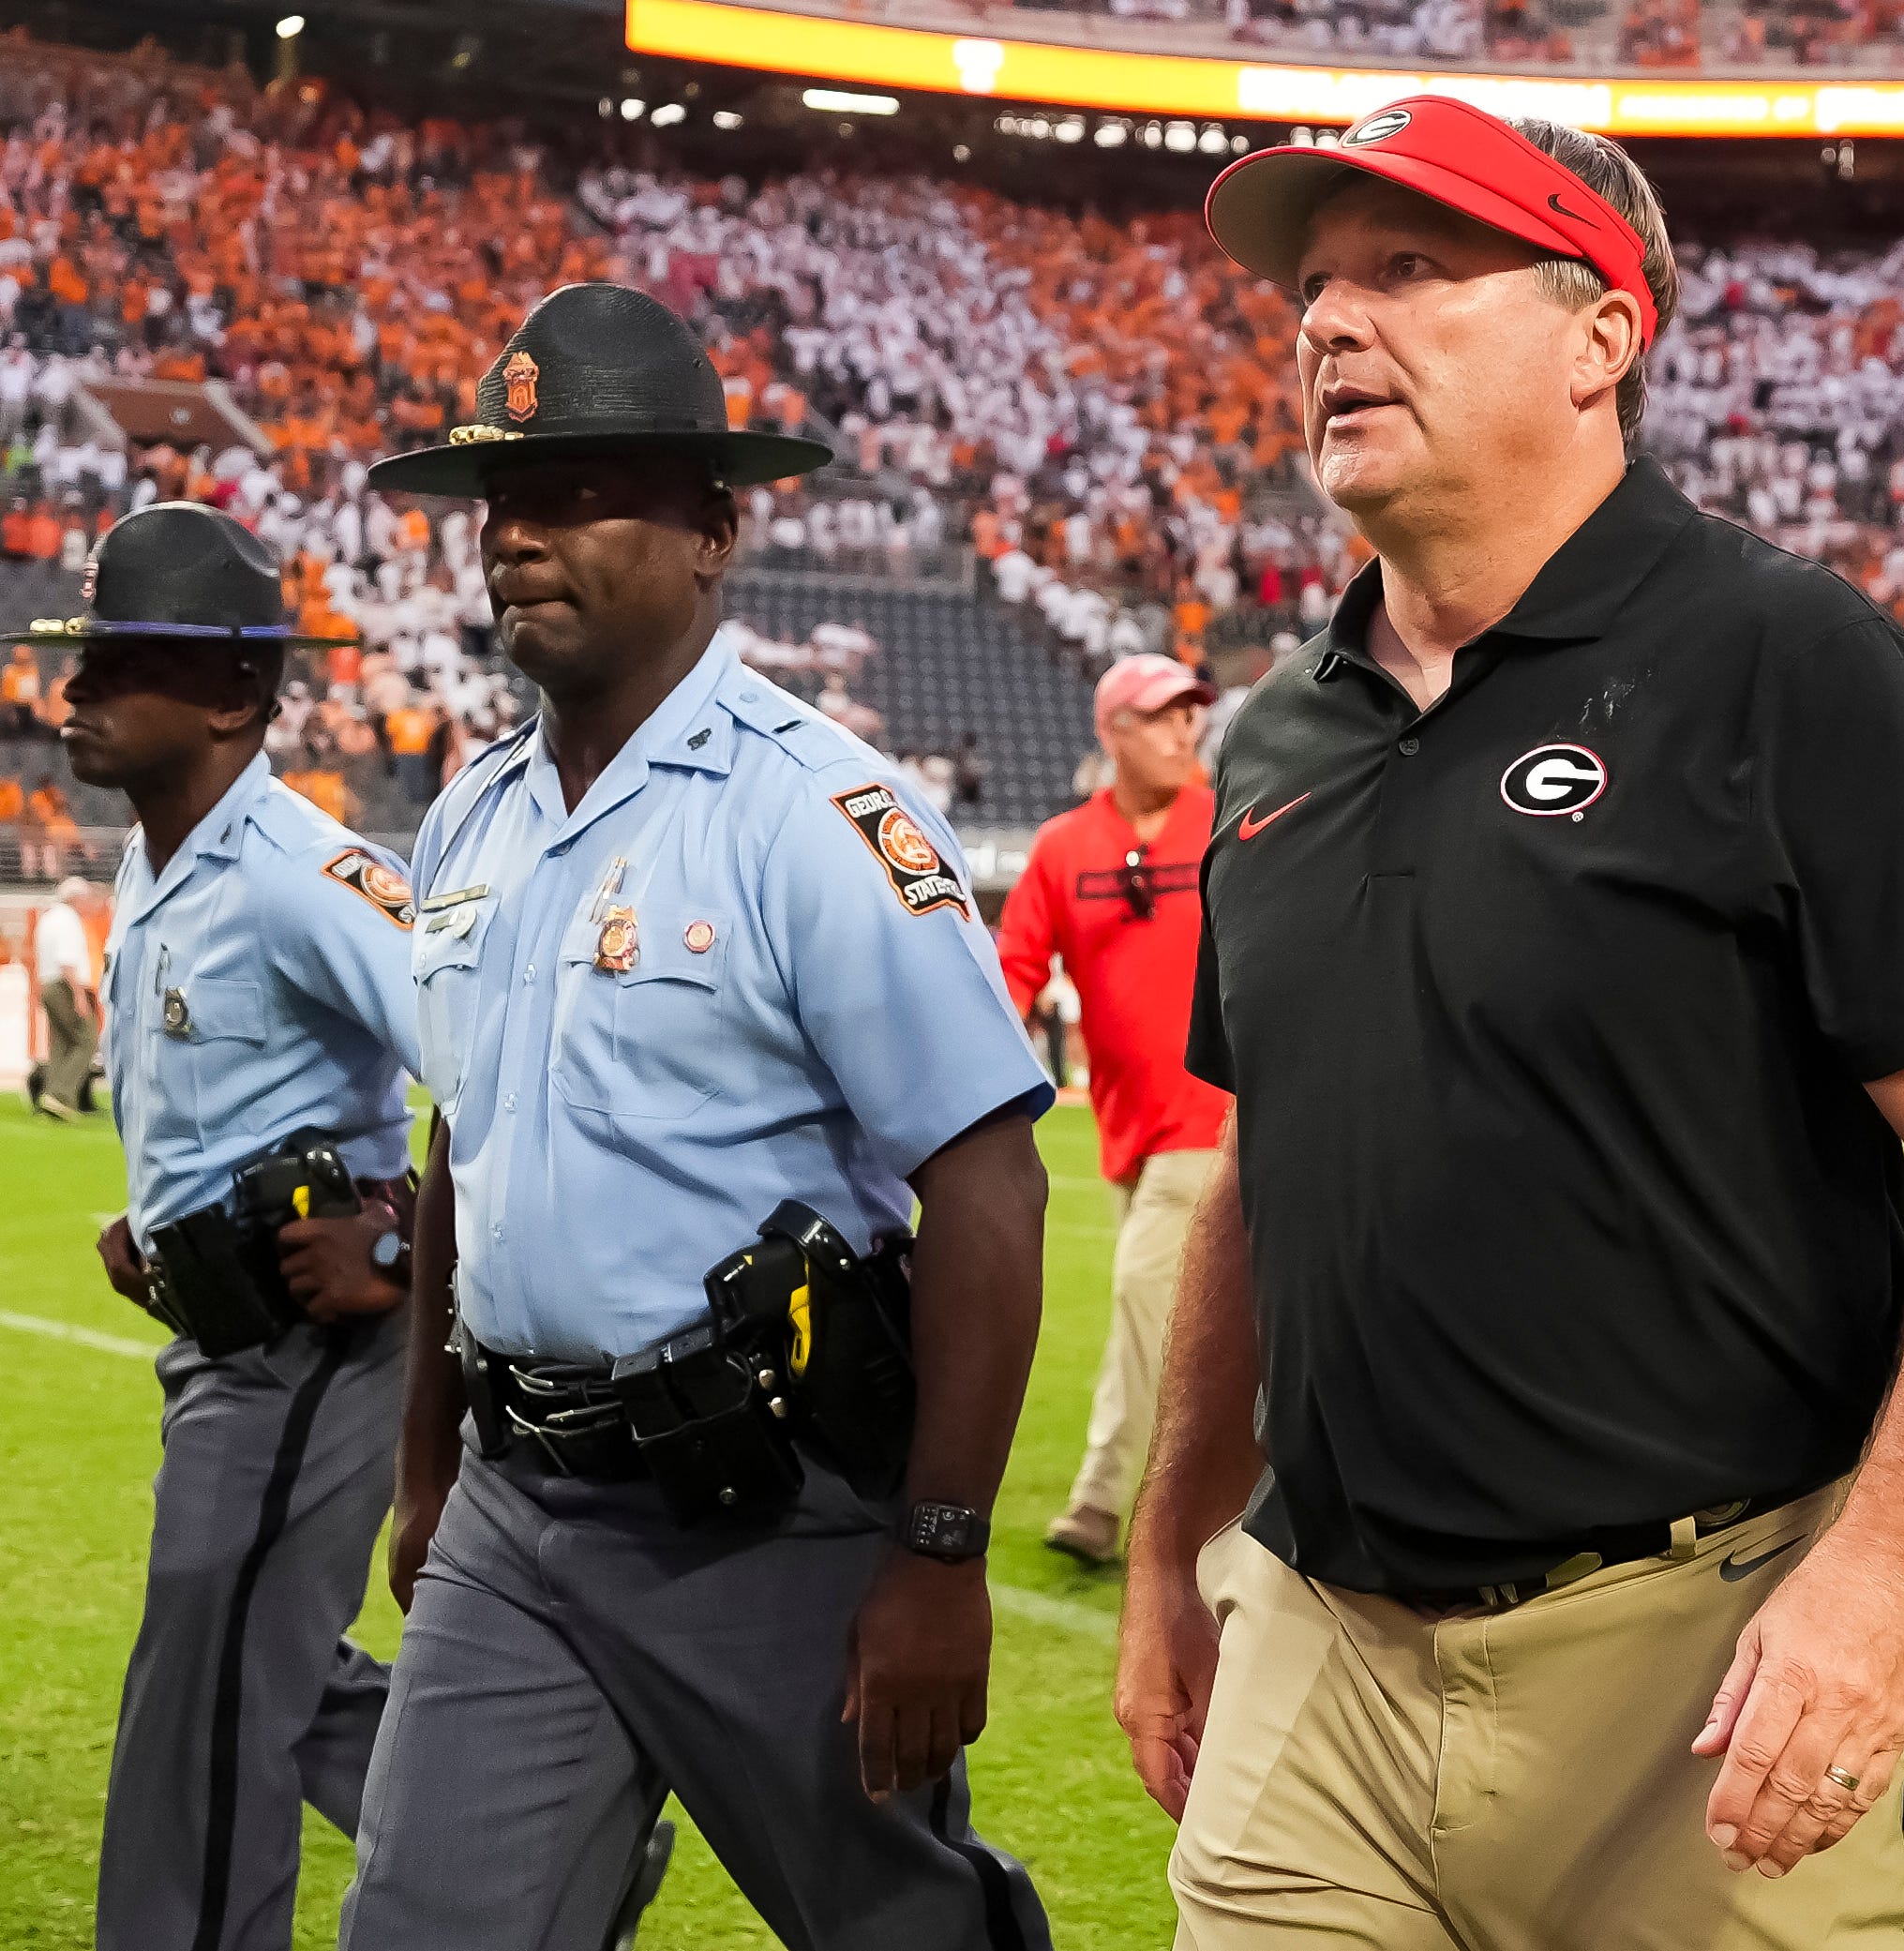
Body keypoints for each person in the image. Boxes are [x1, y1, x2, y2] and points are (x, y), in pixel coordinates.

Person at [1119, 98, 1904, 1951]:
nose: (1332, 321)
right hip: (1315, 1656)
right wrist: (1179, 1542)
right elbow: (1270, 1165)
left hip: (1703, 1663)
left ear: (1600, 333)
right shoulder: (1274, 736)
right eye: (1314, 287)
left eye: (1408, 268)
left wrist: (1887, 1570)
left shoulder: (1783, 656)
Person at [338, 283, 1058, 1951]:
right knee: (424, 1922)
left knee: (895, 1925)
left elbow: (991, 1187)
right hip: (520, 1509)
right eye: (505, 501)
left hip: (767, 1508)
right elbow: (465, 1146)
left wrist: (941, 1555)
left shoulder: (817, 812)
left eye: (583, 494)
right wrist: (430, 1458)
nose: (521, 538)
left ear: (714, 529)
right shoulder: (465, 818)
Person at [31, 503, 466, 1951]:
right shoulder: (160, 859)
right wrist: (159, 1222)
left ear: (232, 694)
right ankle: (514, 1811)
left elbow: (496, 1057)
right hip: (221, 1338)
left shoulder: (295, 870)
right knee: (247, 1660)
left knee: (205, 1704)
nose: (73, 692)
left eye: (117, 664)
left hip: (311, 1348)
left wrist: (400, 1249)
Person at [993, 652, 1229, 1568]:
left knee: (1142, 1299)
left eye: (1189, 714)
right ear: (1113, 731)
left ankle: (1099, 1501)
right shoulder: (1063, 848)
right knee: (1211, 1324)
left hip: (1216, 1123)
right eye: (1163, 715)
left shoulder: (1224, 824)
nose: (1184, 730)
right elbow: (1012, 971)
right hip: (1128, 1133)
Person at [32, 870, 96, 1118]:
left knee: (59, 1044)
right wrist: (79, 995)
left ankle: (49, 1097)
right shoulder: (69, 920)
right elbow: (67, 960)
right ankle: (60, 1095)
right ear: (76, 898)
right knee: (85, 1040)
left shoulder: (48, 918)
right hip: (65, 986)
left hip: (48, 984)